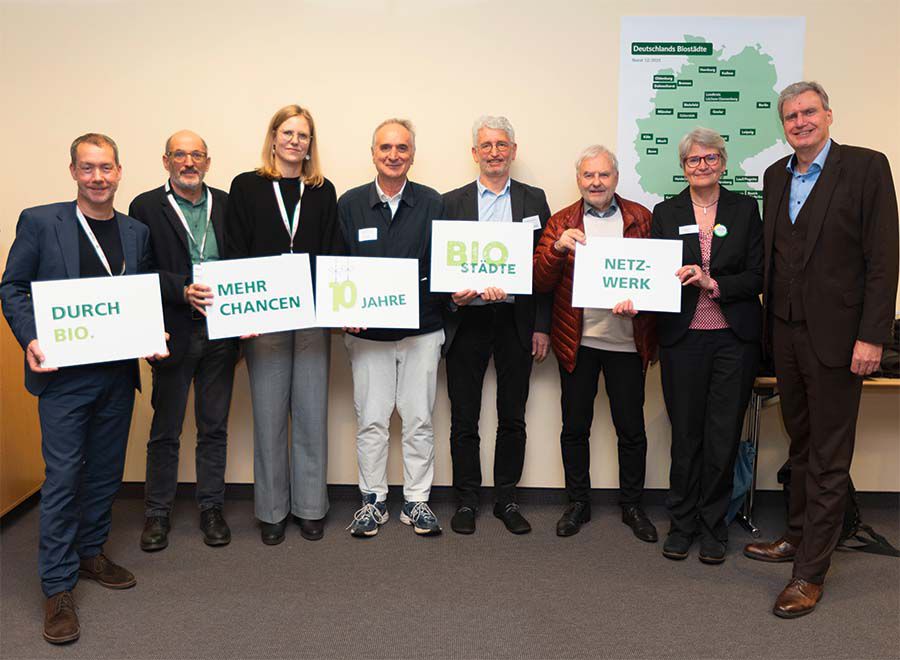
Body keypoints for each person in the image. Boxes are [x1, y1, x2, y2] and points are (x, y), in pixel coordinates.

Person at [0, 133, 166, 644]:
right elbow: (12, 286)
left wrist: (152, 334)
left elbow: (139, 296)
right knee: (64, 477)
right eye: (88, 167)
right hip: (64, 378)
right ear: (73, 171)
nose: (98, 177)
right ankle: (57, 586)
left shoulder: (135, 232)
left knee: (105, 474)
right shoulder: (41, 222)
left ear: (119, 172)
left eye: (106, 167)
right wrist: (30, 338)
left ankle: (91, 552)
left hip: (116, 375)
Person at [744, 81, 898, 617]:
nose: (800, 122)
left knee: (829, 456)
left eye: (809, 112)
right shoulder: (775, 176)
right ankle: (797, 535)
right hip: (785, 335)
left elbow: (884, 258)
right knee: (801, 443)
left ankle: (810, 573)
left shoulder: (867, 167)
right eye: (791, 116)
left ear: (828, 115)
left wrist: (873, 335)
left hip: (841, 339)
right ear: (783, 125)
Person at [225, 105, 340, 545]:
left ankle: (310, 507)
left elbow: (331, 253)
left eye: (303, 135)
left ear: (311, 144)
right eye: (287, 132)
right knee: (269, 416)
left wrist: (336, 308)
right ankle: (272, 511)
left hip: (311, 316)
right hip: (264, 315)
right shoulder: (246, 186)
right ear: (273, 137)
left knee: (311, 414)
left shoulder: (322, 190)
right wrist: (240, 313)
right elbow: (235, 251)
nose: (295, 141)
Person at [533, 145, 658, 542]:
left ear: (616, 178)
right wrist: (557, 248)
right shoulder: (561, 221)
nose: (596, 182)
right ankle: (578, 503)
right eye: (588, 175)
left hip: (627, 343)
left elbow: (659, 278)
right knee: (575, 427)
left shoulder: (641, 218)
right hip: (578, 342)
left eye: (603, 174)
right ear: (578, 180)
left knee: (631, 429)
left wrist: (641, 303)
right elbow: (538, 281)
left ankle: (632, 505)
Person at [650, 127, 763, 564]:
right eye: (694, 159)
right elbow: (653, 274)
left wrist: (712, 282)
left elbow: (758, 275)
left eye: (711, 157)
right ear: (683, 166)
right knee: (685, 435)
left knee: (723, 436)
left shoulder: (745, 209)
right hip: (683, 339)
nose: (703, 165)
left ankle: (715, 526)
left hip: (733, 339)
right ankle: (682, 524)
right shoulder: (666, 212)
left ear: (723, 162)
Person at [128, 130, 238, 551]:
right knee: (165, 429)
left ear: (208, 162)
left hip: (220, 333)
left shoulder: (226, 204)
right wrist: (181, 288)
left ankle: (211, 509)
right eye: (179, 154)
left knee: (214, 427)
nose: (188, 162)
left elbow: (244, 262)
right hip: (174, 330)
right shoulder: (145, 206)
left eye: (196, 155)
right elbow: (138, 271)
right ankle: (157, 513)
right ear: (166, 161)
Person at [441, 116, 551, 535]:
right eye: (486, 145)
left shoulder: (533, 199)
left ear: (513, 151)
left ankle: (507, 499)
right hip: (467, 321)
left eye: (501, 144)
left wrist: (542, 325)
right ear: (474, 153)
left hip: (515, 320)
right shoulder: (451, 203)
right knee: (463, 417)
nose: (494, 152)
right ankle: (466, 501)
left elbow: (544, 268)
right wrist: (451, 297)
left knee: (513, 416)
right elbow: (440, 265)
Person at [336, 118, 445, 537]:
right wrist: (341, 310)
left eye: (402, 148)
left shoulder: (433, 203)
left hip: (422, 331)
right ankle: (373, 502)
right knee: (372, 421)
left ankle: (416, 501)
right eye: (385, 148)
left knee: (418, 419)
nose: (393, 155)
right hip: (367, 336)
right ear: (373, 153)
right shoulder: (350, 204)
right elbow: (336, 265)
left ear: (413, 155)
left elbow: (443, 267)